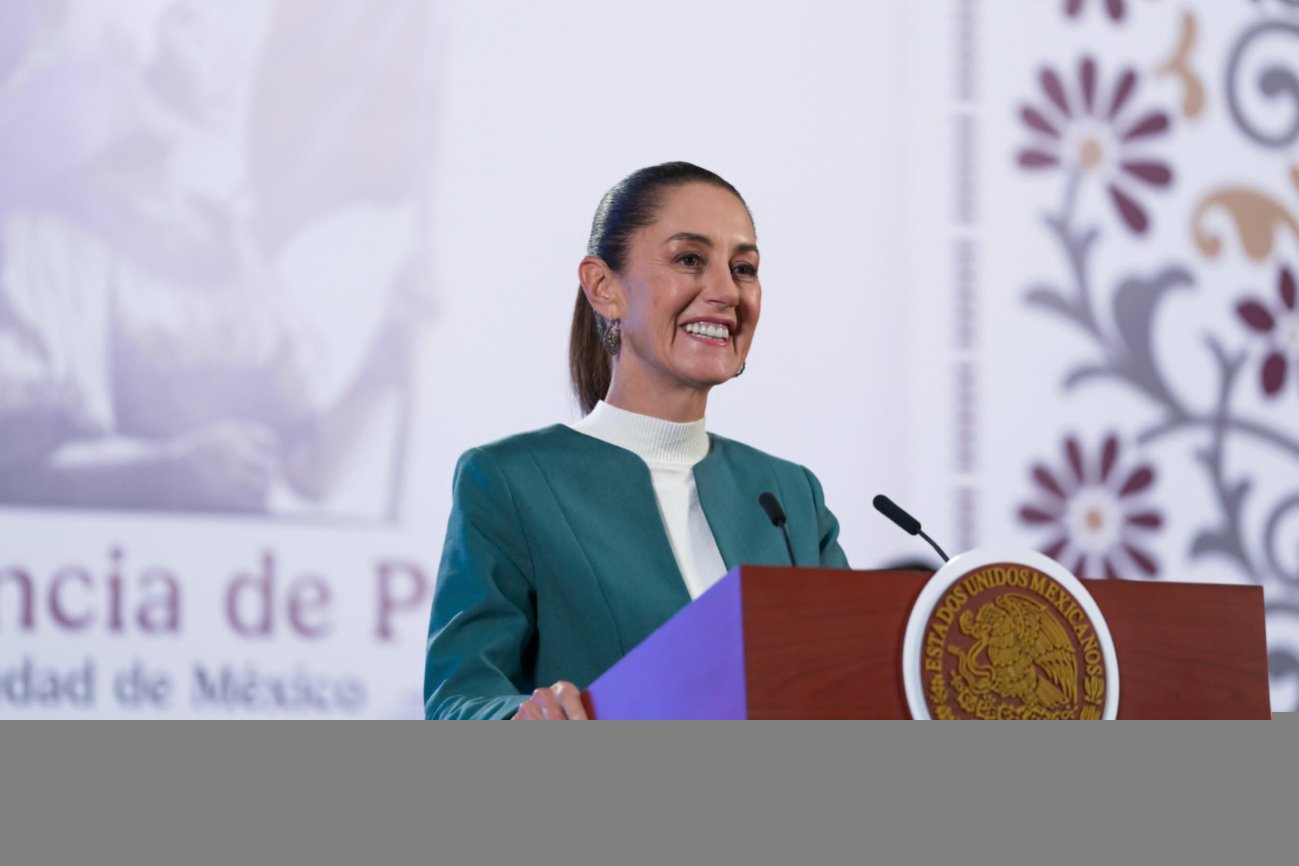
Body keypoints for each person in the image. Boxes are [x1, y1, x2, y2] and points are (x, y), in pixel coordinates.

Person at [423, 162, 849, 720]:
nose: (726, 291)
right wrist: (520, 719)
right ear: (604, 288)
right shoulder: (510, 481)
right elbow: (458, 701)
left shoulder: (790, 494)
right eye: (689, 259)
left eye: (743, 268)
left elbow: (850, 681)